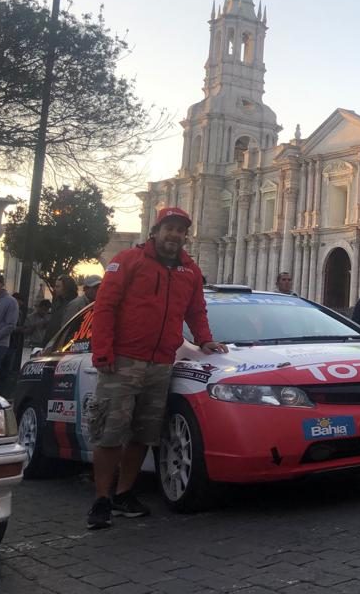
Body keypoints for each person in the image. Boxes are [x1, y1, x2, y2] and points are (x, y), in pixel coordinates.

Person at [86, 207, 228, 530]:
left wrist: (205, 340)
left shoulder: (190, 271)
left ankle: (124, 494)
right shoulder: (128, 260)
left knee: (143, 434)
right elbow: (105, 308)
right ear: (156, 231)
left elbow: (196, 311)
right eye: (169, 228)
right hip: (122, 361)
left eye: (180, 230)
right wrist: (103, 352)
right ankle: (102, 499)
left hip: (162, 363)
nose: (174, 235)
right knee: (109, 433)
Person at [17, 299, 52, 366]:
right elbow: (25, 331)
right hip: (35, 343)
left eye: (46, 310)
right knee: (34, 361)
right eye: (43, 309)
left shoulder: (49, 317)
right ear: (39, 307)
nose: (44, 312)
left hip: (47, 343)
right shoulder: (31, 317)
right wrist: (34, 326)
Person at [45, 274, 78, 342]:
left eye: (58, 286)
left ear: (66, 288)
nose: (55, 289)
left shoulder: (74, 304)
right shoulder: (58, 302)